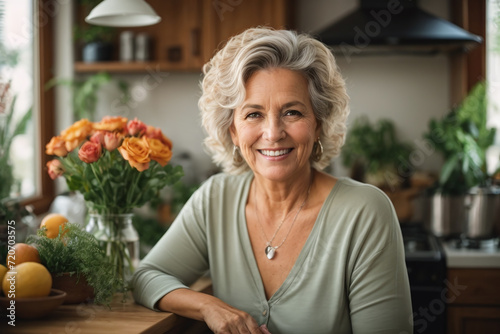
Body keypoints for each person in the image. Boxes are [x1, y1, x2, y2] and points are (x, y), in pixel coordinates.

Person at [132, 27, 413, 334]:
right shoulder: (216, 199)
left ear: (318, 124)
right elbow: (147, 276)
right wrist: (210, 307)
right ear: (233, 132)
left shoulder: (365, 212)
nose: (273, 132)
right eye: (253, 114)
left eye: (292, 112)